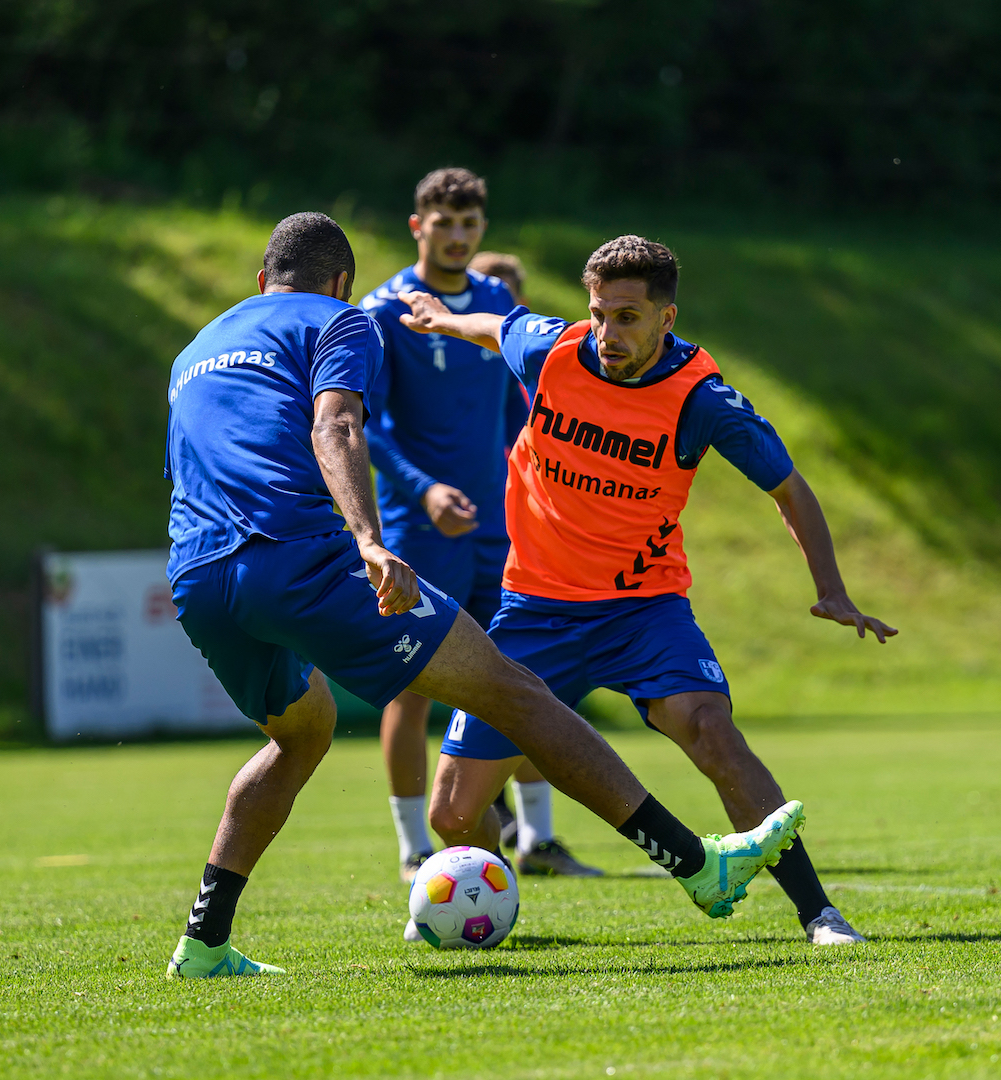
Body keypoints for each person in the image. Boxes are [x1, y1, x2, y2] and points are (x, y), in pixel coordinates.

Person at [161, 212, 804, 978]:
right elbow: (336, 426)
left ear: (262, 282)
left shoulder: (195, 349)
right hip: (298, 560)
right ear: (341, 283)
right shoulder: (343, 320)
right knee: (514, 690)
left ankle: (203, 943)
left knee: (301, 733)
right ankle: (700, 866)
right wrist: (368, 540)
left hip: (197, 574)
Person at [397, 235, 893, 945]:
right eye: (599, 313)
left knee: (711, 733)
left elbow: (789, 487)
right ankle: (491, 903)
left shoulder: (702, 399)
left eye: (627, 317)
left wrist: (832, 589)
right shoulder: (550, 350)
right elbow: (493, 327)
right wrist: (439, 320)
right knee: (451, 810)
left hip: (643, 611)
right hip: (534, 609)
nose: (607, 333)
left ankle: (819, 912)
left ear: (667, 318)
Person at [359, 170, 600, 882]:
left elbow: (516, 413)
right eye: (444, 222)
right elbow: (362, 426)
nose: (458, 235)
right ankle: (412, 849)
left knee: (523, 675)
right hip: (419, 528)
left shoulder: (498, 304)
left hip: (501, 526)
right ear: (418, 226)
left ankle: (538, 840)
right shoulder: (383, 310)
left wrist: (544, 480)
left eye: (470, 223)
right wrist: (424, 489)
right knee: (411, 683)